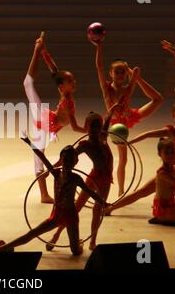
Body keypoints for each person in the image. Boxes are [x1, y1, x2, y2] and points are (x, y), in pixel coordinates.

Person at [0, 138, 106, 255]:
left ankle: (78, 243)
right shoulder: (56, 173)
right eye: (65, 159)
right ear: (61, 160)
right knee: (31, 234)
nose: (68, 162)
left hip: (70, 216)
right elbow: (42, 157)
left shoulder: (76, 178)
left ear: (76, 162)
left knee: (75, 251)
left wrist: (102, 202)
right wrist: (29, 143)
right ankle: (3, 248)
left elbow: (89, 191)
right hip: (56, 214)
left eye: (71, 160)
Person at [106, 102, 175, 215]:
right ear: (173, 115)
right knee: (141, 192)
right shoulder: (170, 131)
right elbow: (147, 134)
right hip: (169, 172)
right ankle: (110, 208)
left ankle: (165, 211)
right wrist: (128, 143)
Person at [92, 39, 163, 196]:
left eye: (123, 72)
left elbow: (138, 91)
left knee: (158, 100)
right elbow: (99, 67)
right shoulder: (106, 88)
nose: (119, 74)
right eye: (116, 71)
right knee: (123, 158)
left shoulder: (127, 89)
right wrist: (100, 47)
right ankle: (121, 191)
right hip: (117, 125)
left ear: (125, 75)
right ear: (111, 73)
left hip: (129, 116)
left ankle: (121, 190)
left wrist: (136, 77)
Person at [24, 33, 85, 203]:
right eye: (70, 81)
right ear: (61, 86)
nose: (74, 82)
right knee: (38, 158)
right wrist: (91, 129)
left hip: (48, 123)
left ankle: (44, 194)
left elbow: (54, 70)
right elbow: (75, 127)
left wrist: (44, 51)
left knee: (39, 156)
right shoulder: (67, 102)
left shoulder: (66, 96)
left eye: (73, 80)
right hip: (46, 123)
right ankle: (44, 195)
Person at [47, 106, 117, 251]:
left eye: (98, 125)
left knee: (98, 210)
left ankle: (93, 241)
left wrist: (110, 113)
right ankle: (56, 235)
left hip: (106, 179)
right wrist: (54, 167)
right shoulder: (85, 145)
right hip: (95, 177)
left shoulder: (103, 137)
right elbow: (68, 157)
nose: (96, 129)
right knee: (76, 207)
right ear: (87, 127)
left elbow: (106, 124)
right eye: (93, 126)